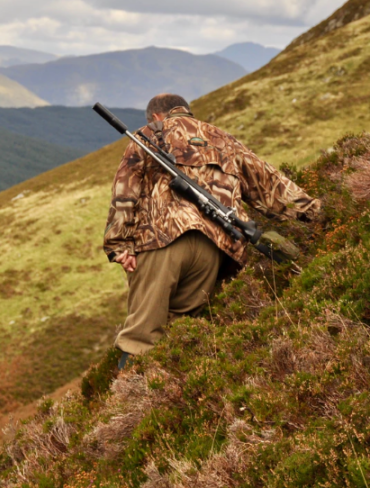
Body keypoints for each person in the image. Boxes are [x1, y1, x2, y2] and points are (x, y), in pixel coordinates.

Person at [104, 93, 322, 370]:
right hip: (215, 249)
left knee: (141, 336)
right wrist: (317, 212)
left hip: (163, 240)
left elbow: (124, 193)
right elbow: (272, 187)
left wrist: (119, 246)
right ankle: (168, 397)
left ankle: (125, 402)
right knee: (180, 332)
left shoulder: (147, 136)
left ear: (157, 116)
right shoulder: (225, 140)